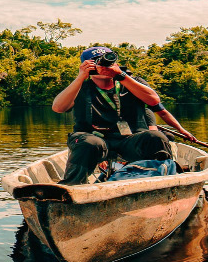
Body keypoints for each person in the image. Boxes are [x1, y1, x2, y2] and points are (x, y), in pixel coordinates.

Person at [50, 47, 198, 183]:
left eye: (107, 62)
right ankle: (72, 186)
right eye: (97, 63)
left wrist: (121, 76)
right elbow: (58, 108)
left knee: (156, 137)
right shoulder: (81, 87)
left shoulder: (132, 82)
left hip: (131, 139)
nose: (103, 66)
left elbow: (154, 101)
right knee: (89, 143)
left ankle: (160, 181)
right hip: (97, 140)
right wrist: (81, 77)